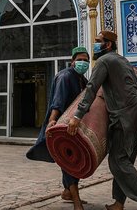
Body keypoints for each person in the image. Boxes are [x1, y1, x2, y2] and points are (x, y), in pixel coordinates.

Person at [67, 31, 137, 210]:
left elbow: (91, 89)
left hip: (125, 115)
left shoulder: (104, 61)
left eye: (97, 41)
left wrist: (77, 116)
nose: (94, 45)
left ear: (107, 45)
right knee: (125, 160)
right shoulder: (122, 60)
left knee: (117, 161)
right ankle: (119, 203)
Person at [26, 46, 90, 210]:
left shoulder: (82, 79)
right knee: (68, 160)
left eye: (86, 60)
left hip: (75, 126)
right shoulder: (65, 77)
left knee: (73, 159)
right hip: (62, 125)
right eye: (80, 60)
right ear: (72, 61)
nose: (83, 63)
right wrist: (52, 120)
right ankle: (76, 200)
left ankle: (67, 192)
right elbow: (58, 101)